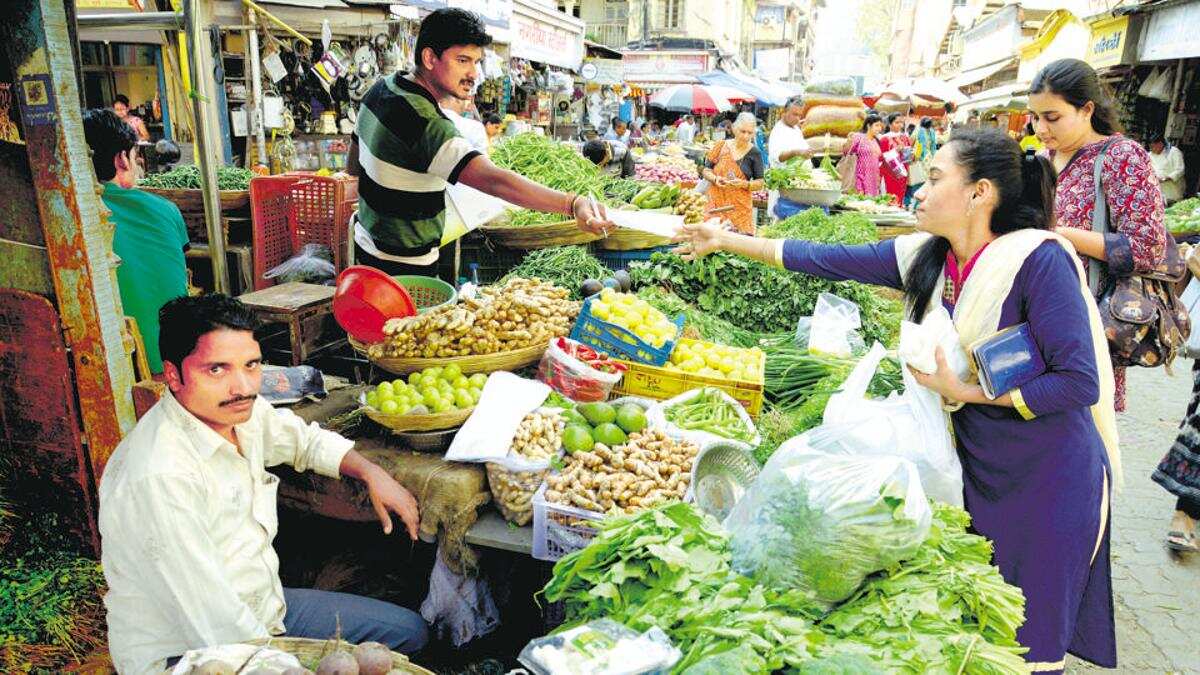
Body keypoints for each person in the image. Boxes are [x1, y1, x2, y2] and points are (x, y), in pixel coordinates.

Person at [675, 127, 1118, 674]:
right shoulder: (929, 258)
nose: (919, 192)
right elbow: (824, 257)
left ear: (980, 193)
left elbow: (1079, 382)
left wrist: (965, 392)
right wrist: (725, 240)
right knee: (980, 626)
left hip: (1046, 480)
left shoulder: (1037, 260)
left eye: (935, 179)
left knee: (1028, 644)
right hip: (978, 470)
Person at [100, 294, 429, 675]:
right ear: (174, 375)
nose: (242, 387)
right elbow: (217, 625)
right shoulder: (160, 477)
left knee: (410, 633)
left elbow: (303, 440)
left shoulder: (240, 414)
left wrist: (372, 473)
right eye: (217, 370)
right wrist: (292, 668)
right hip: (190, 651)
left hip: (264, 608)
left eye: (251, 365)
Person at [347, 8, 610, 276]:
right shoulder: (428, 124)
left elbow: (353, 166)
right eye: (462, 60)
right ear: (429, 57)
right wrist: (571, 203)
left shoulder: (384, 88)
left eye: (476, 61)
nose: (474, 73)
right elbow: (496, 181)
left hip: (365, 245)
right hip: (403, 266)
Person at [1028, 58, 1167, 419]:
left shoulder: (1121, 157)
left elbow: (1146, 247)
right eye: (1035, 117)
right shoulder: (1045, 158)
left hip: (1087, 321)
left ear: (1086, 109)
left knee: (1077, 434)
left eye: (1052, 117)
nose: (1041, 127)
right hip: (1035, 314)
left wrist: (1059, 235)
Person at [82, 108, 187, 377]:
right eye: (134, 155)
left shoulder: (79, 215)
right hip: (174, 363)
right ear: (122, 160)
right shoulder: (165, 210)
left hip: (116, 368)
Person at [701, 112, 765, 235]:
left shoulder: (755, 153)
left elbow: (760, 183)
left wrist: (744, 184)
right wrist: (715, 179)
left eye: (750, 133)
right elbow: (706, 170)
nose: (746, 136)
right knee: (711, 242)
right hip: (716, 206)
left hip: (740, 210)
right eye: (743, 131)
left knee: (737, 247)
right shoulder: (721, 146)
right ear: (734, 128)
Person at [767, 96, 812, 218]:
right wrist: (797, 152)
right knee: (780, 220)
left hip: (796, 187)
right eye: (794, 114)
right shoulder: (778, 131)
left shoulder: (796, 129)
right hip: (784, 189)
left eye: (800, 115)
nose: (797, 118)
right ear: (784, 112)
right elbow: (777, 157)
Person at [843, 114, 884, 196]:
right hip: (860, 177)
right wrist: (849, 141)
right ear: (869, 126)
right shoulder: (858, 137)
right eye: (877, 125)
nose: (879, 128)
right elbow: (846, 153)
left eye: (880, 126)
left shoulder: (876, 141)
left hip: (873, 179)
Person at [879, 112, 913, 205]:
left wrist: (910, 155)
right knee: (891, 196)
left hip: (903, 171)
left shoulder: (905, 137)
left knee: (901, 195)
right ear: (890, 124)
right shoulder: (884, 139)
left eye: (901, 123)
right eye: (896, 122)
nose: (899, 125)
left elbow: (908, 158)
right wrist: (895, 151)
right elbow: (881, 157)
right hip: (890, 173)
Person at [907, 117, 938, 208]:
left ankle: (919, 203)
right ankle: (917, 203)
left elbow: (932, 145)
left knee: (925, 181)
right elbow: (911, 142)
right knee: (921, 180)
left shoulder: (929, 131)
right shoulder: (922, 131)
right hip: (922, 159)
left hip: (926, 158)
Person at [1148, 134, 1186, 205]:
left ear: (1160, 144)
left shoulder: (1174, 152)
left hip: (1172, 191)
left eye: (1153, 147)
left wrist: (1165, 178)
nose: (1152, 149)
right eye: (1150, 147)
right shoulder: (1150, 155)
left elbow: (1180, 169)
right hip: (1156, 191)